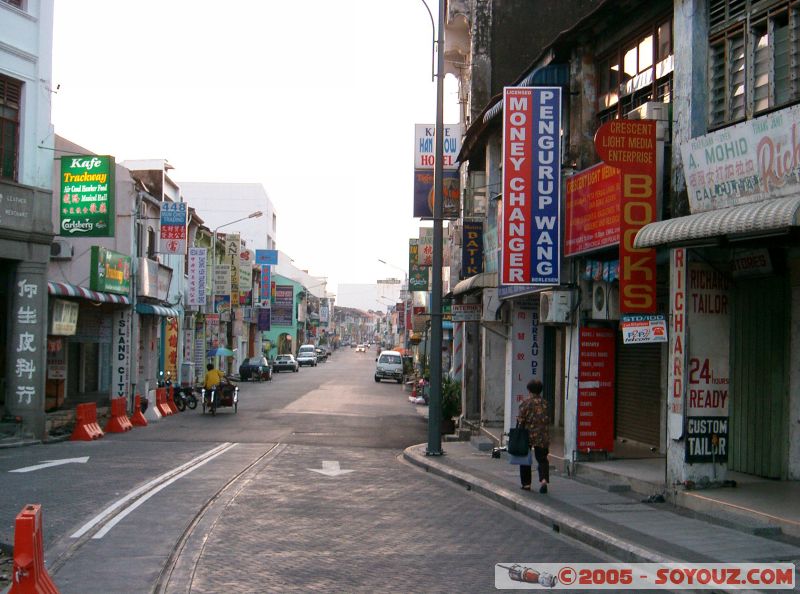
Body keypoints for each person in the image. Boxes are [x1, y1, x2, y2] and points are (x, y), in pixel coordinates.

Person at [517, 378, 551, 494]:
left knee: (525, 458)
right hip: (543, 435)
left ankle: (526, 484)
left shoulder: (525, 404)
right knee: (542, 459)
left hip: (528, 435)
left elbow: (521, 420)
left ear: (529, 390)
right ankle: (544, 481)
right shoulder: (545, 403)